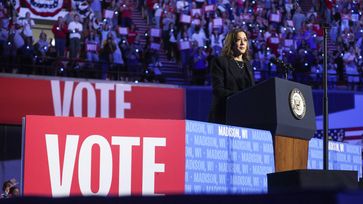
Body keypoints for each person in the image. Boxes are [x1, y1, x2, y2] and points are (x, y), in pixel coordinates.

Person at [208, 28, 255, 124]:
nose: (242, 43)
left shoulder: (248, 65)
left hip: (244, 117)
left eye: (245, 40)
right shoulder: (220, 61)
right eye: (238, 40)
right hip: (224, 115)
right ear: (231, 43)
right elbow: (218, 90)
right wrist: (240, 96)